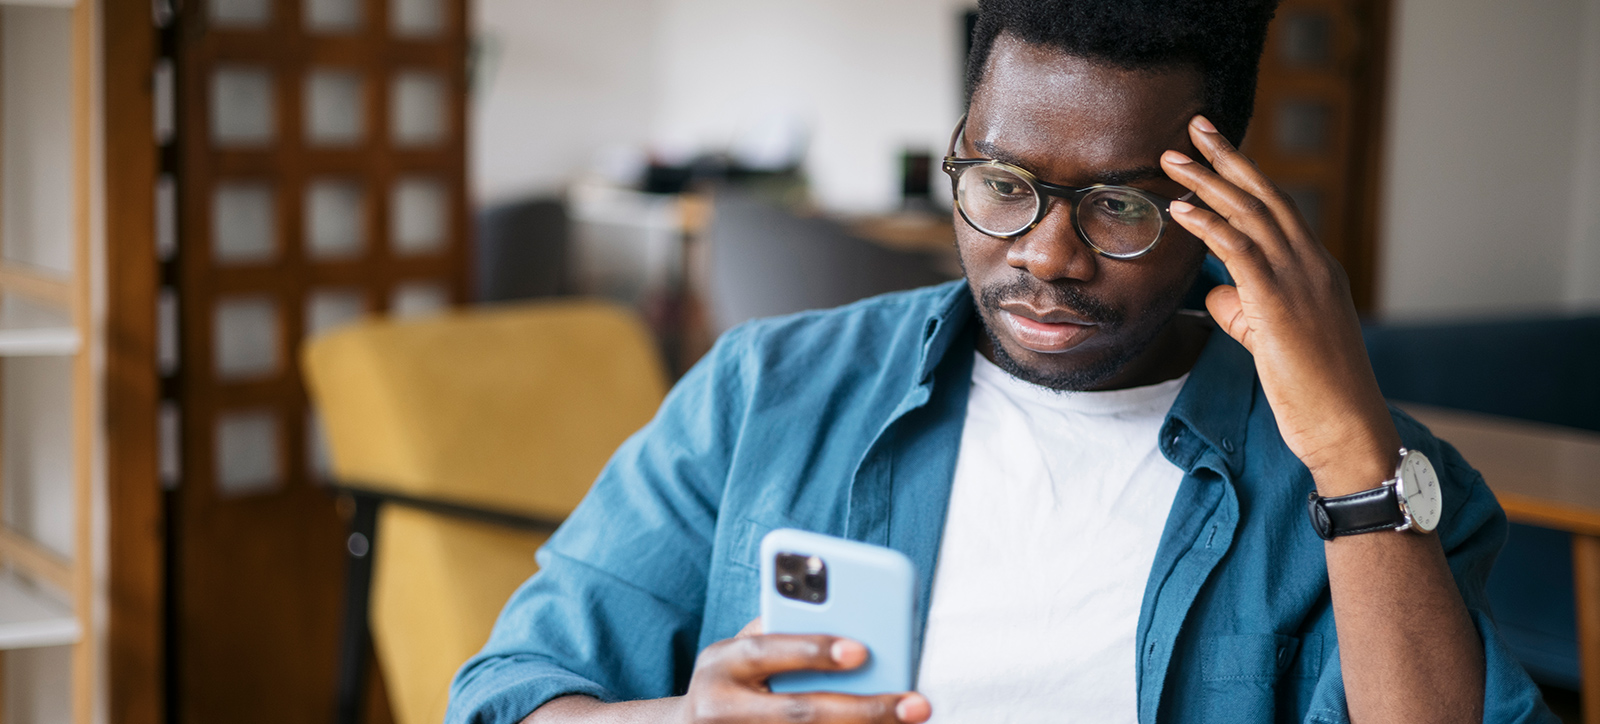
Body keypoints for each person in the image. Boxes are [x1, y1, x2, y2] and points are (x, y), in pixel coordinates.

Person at [448, 1, 1557, 722]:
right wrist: (683, 719)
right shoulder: (766, 393)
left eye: (1119, 204)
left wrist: (1350, 456)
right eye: (999, 183)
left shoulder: (1371, 486)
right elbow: (507, 696)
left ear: (1220, 202)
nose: (1046, 254)